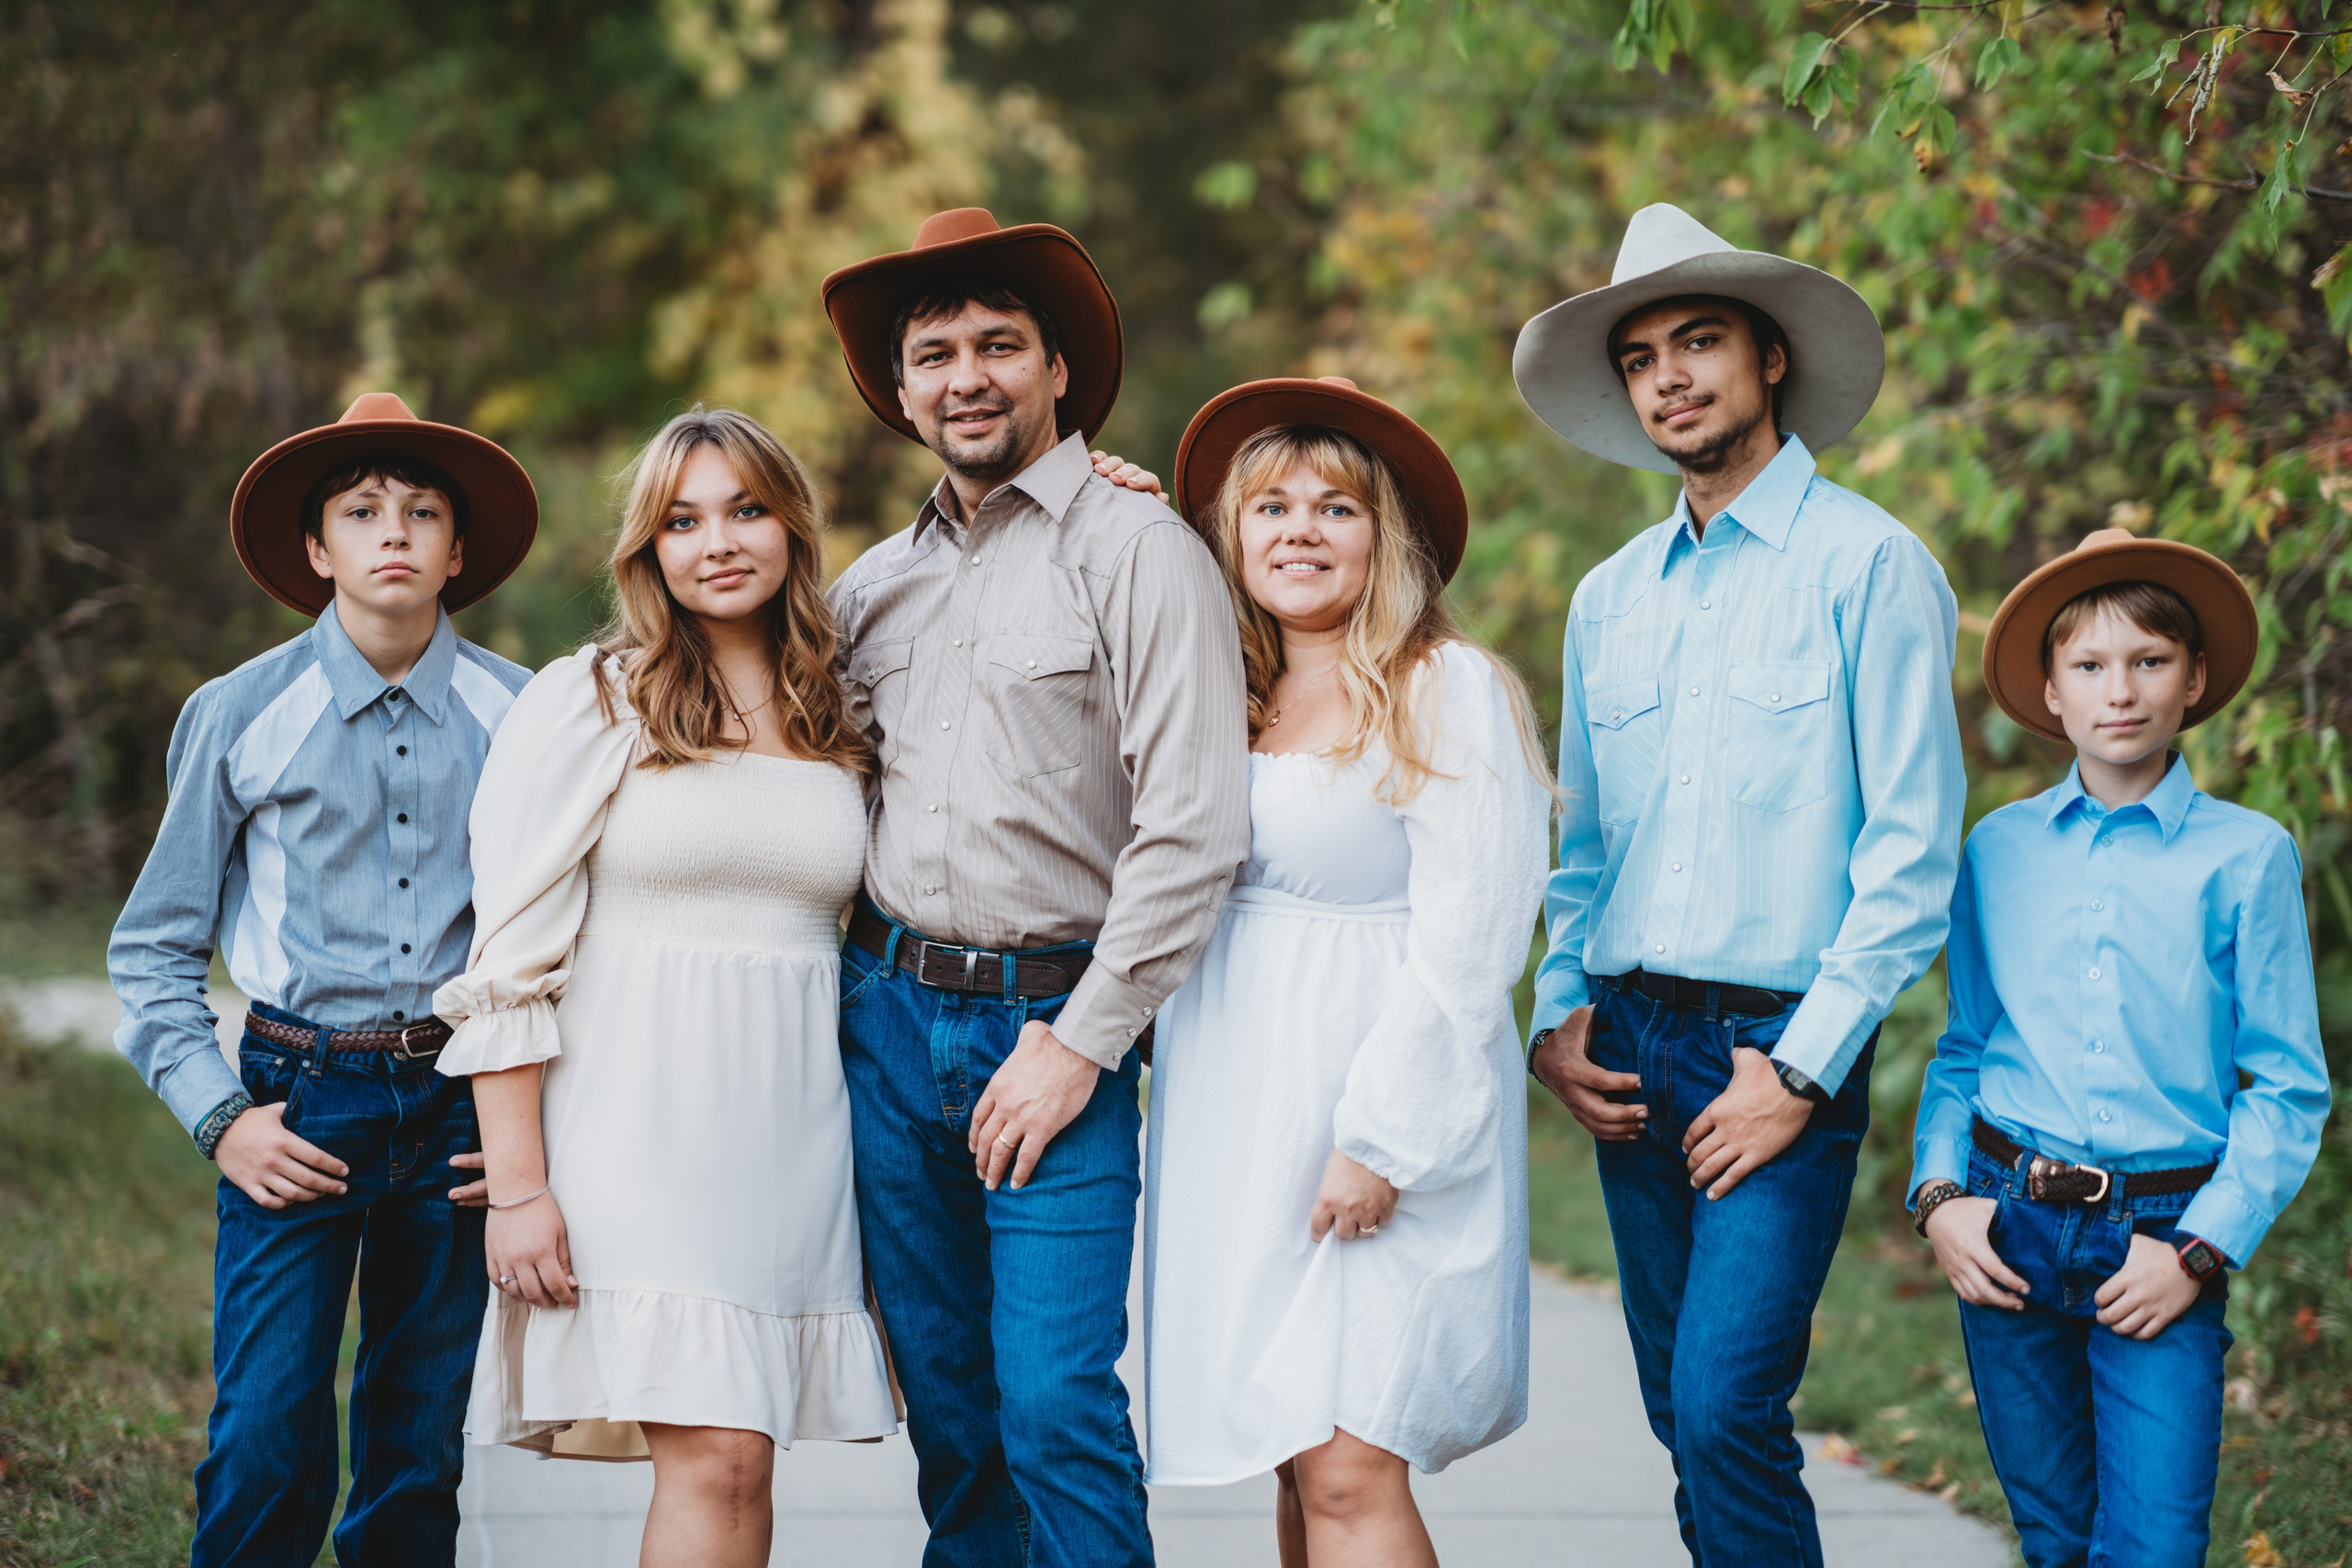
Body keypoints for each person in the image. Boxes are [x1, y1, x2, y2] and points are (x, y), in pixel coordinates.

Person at [1514, 203, 1967, 1566]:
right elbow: (1583, 849)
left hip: (1780, 1046)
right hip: (1632, 1042)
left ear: (1770, 359)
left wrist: (1802, 1068)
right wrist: (1557, 1014)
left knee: (1725, 1405)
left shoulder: (1872, 564)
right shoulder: (1609, 597)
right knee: (1679, 1413)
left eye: (1698, 340)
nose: (1667, 375)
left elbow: (1909, 857)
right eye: (1641, 353)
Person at [820, 208, 1251, 1568]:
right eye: (934, 352)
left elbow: (1194, 830)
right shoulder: (866, 591)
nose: (967, 377)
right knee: (949, 1411)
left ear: (1057, 368)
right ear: (900, 391)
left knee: (1058, 1403)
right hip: (884, 1023)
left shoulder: (1143, 552)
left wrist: (1078, 1046)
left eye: (998, 344)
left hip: (1054, 1022)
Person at [427, 408, 899, 1568]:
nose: (716, 542)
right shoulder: (593, 700)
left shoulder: (844, 709)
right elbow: (507, 959)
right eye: (682, 521)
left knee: (745, 1462)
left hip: (791, 1139)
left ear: (791, 525)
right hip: (633, 1134)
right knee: (713, 1454)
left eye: (744, 510)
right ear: (648, 550)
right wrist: (522, 1185)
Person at [108, 393, 537, 1566]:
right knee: (266, 1435)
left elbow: (566, 943)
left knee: (416, 1446)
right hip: (297, 1103)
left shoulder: (526, 714)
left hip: (458, 1109)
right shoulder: (241, 714)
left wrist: (529, 1133)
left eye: (421, 511)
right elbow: (153, 949)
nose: (391, 531)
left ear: (459, 550)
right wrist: (222, 1119)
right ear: (318, 550)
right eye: (360, 512)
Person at [1129, 378, 1552, 1567]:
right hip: (1240, 1115)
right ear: (1232, 535)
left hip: (1378, 1112)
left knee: (1351, 1465)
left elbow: (1472, 943)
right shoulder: (1223, 689)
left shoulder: (1442, 687)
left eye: (1336, 507)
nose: (1300, 529)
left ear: (1386, 538)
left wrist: (1385, 1138)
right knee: (1294, 1452)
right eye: (1270, 506)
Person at [1909, 528, 2328, 1568]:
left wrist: (2197, 1249)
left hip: (2159, 1242)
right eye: (2089, 666)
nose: (2121, 691)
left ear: (2192, 678)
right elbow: (1964, 1047)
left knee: (2151, 1548)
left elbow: (2286, 1086)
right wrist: (1937, 1197)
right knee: (2053, 1540)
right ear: (2051, 692)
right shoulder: (1996, 850)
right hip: (2007, 1227)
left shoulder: (2246, 857)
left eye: (2148, 661)